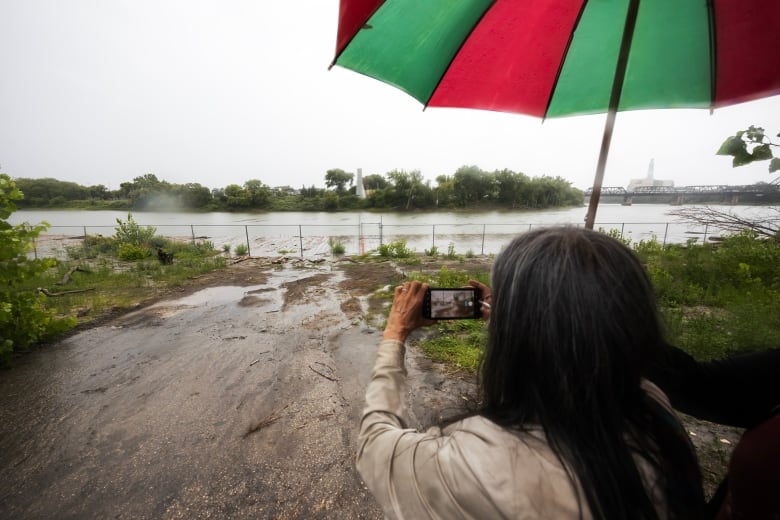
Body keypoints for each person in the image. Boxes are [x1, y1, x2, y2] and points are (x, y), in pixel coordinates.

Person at [357, 227, 704, 519]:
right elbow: (579, 338)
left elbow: (374, 445)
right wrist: (505, 311)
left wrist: (395, 335)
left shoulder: (470, 463)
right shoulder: (654, 408)